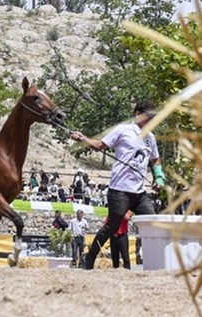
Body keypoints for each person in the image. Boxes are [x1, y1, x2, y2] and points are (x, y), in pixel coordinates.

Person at [70, 100, 165, 270]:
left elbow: (155, 159)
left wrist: (159, 177)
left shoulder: (151, 138)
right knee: (111, 226)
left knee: (152, 222)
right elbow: (100, 146)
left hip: (140, 192)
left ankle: (156, 263)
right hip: (120, 190)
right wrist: (83, 138)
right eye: (149, 117)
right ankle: (89, 257)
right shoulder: (123, 130)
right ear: (138, 115)